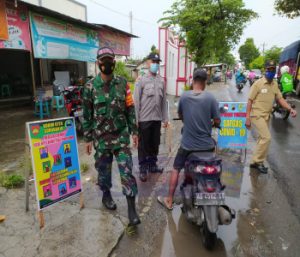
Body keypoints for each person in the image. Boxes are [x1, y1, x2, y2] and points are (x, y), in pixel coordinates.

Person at [83, 47, 140, 226]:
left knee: (127, 172)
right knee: (103, 172)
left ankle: (131, 208)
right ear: (98, 63)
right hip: (101, 139)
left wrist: (135, 132)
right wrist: (87, 138)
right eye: (103, 61)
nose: (106, 64)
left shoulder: (123, 84)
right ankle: (106, 196)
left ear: (114, 62)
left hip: (121, 138)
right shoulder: (89, 87)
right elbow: (86, 115)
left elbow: (130, 108)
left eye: (109, 60)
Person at [157, 69, 221, 209]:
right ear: (205, 82)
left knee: (175, 168)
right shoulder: (210, 98)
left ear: (192, 81)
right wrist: (213, 123)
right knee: (215, 163)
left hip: (187, 145)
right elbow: (217, 120)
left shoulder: (184, 97)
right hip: (207, 145)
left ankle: (169, 200)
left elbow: (181, 115)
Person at [246, 60, 297, 173]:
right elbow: (250, 101)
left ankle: (255, 162)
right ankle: (258, 162)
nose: (271, 71)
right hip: (257, 115)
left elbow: (280, 99)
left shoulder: (274, 84)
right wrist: (247, 117)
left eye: (273, 69)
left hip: (267, 116)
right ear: (265, 70)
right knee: (266, 138)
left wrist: (290, 109)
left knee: (261, 139)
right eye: (269, 69)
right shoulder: (258, 83)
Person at [134, 52, 168, 182]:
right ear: (148, 63)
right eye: (153, 62)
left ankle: (152, 165)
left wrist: (165, 118)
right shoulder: (141, 80)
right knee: (143, 144)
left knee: (155, 143)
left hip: (157, 119)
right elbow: (136, 102)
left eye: (157, 62)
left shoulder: (161, 81)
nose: (155, 64)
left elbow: (163, 101)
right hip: (144, 119)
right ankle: (143, 168)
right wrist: (136, 120)